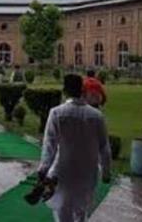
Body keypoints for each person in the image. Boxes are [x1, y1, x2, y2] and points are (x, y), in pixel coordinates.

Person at [38, 74, 111, 222]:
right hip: (88, 171)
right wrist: (106, 171)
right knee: (81, 210)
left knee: (62, 210)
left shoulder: (56, 113)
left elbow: (49, 146)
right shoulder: (96, 116)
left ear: (65, 91)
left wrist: (43, 169)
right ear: (82, 91)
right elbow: (104, 147)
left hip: (63, 169)